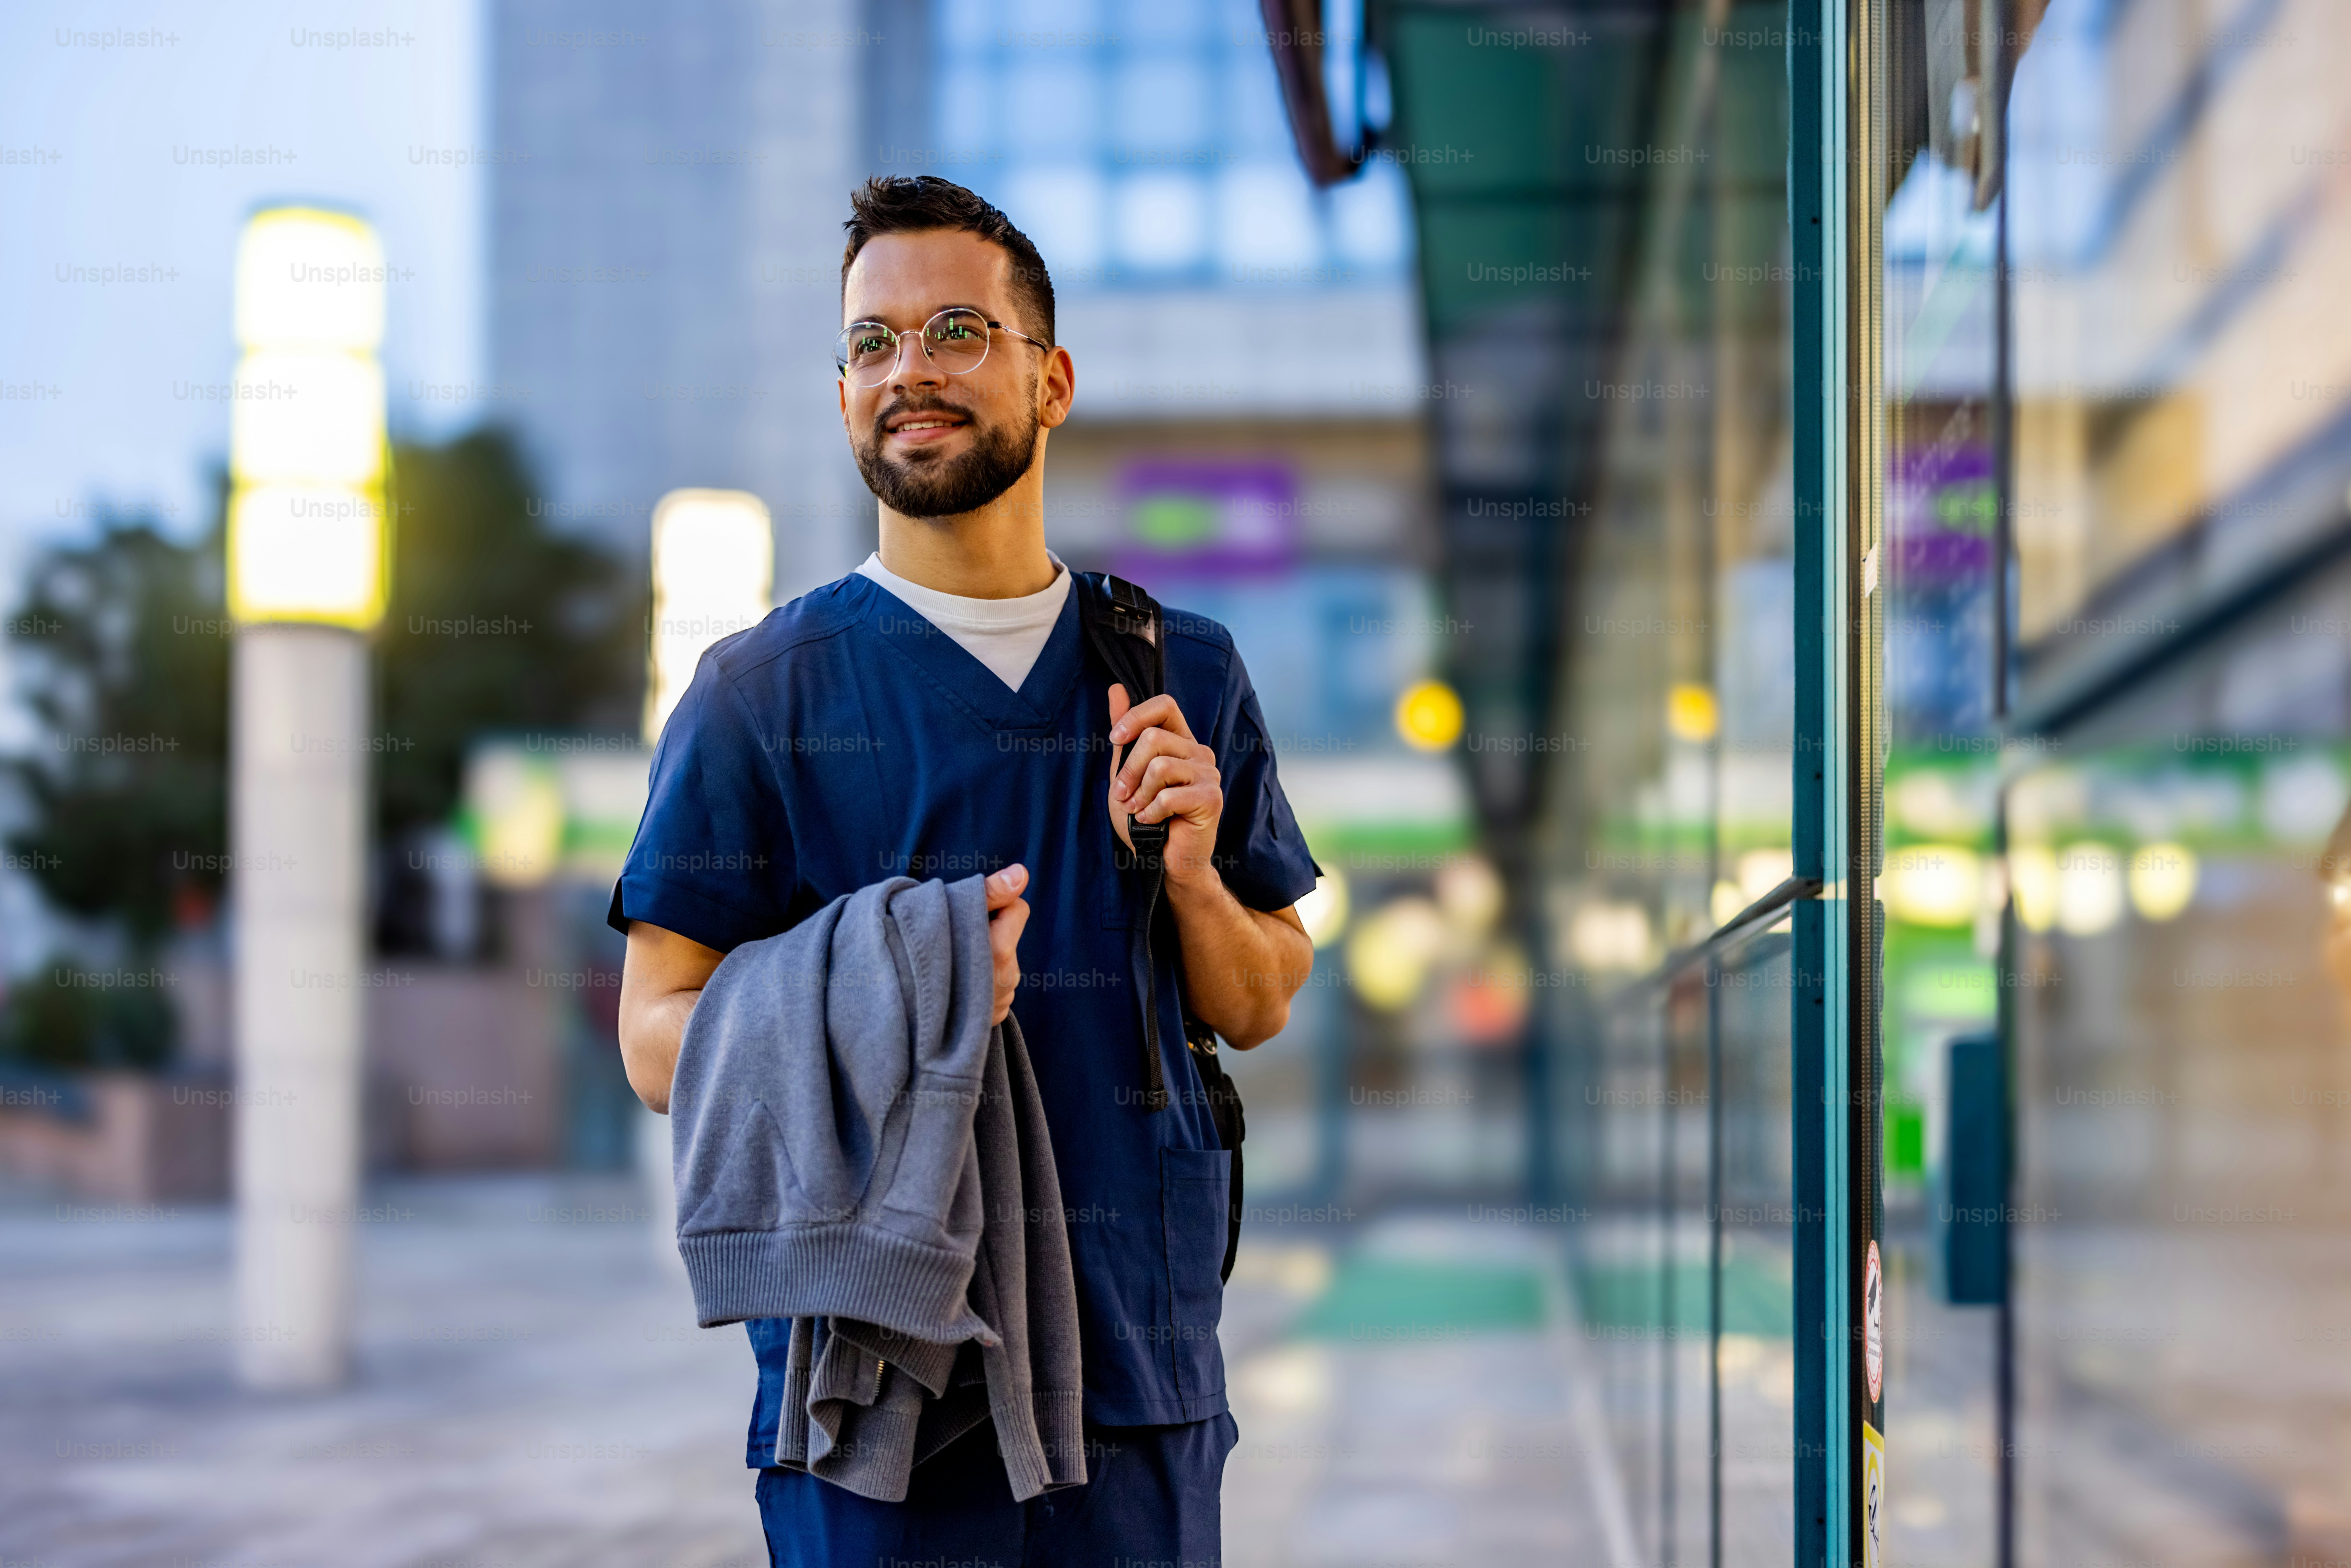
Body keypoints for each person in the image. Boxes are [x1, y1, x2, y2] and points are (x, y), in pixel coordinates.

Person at [612, 174, 1320, 1566]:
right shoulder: (758, 696)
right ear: (839, 394)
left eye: (954, 331)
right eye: (870, 343)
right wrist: (885, 990)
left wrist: (1190, 877)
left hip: (1138, 1380)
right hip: (880, 1399)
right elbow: (650, 1038)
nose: (908, 372)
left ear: (1050, 382)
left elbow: (1261, 997)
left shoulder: (1182, 670)